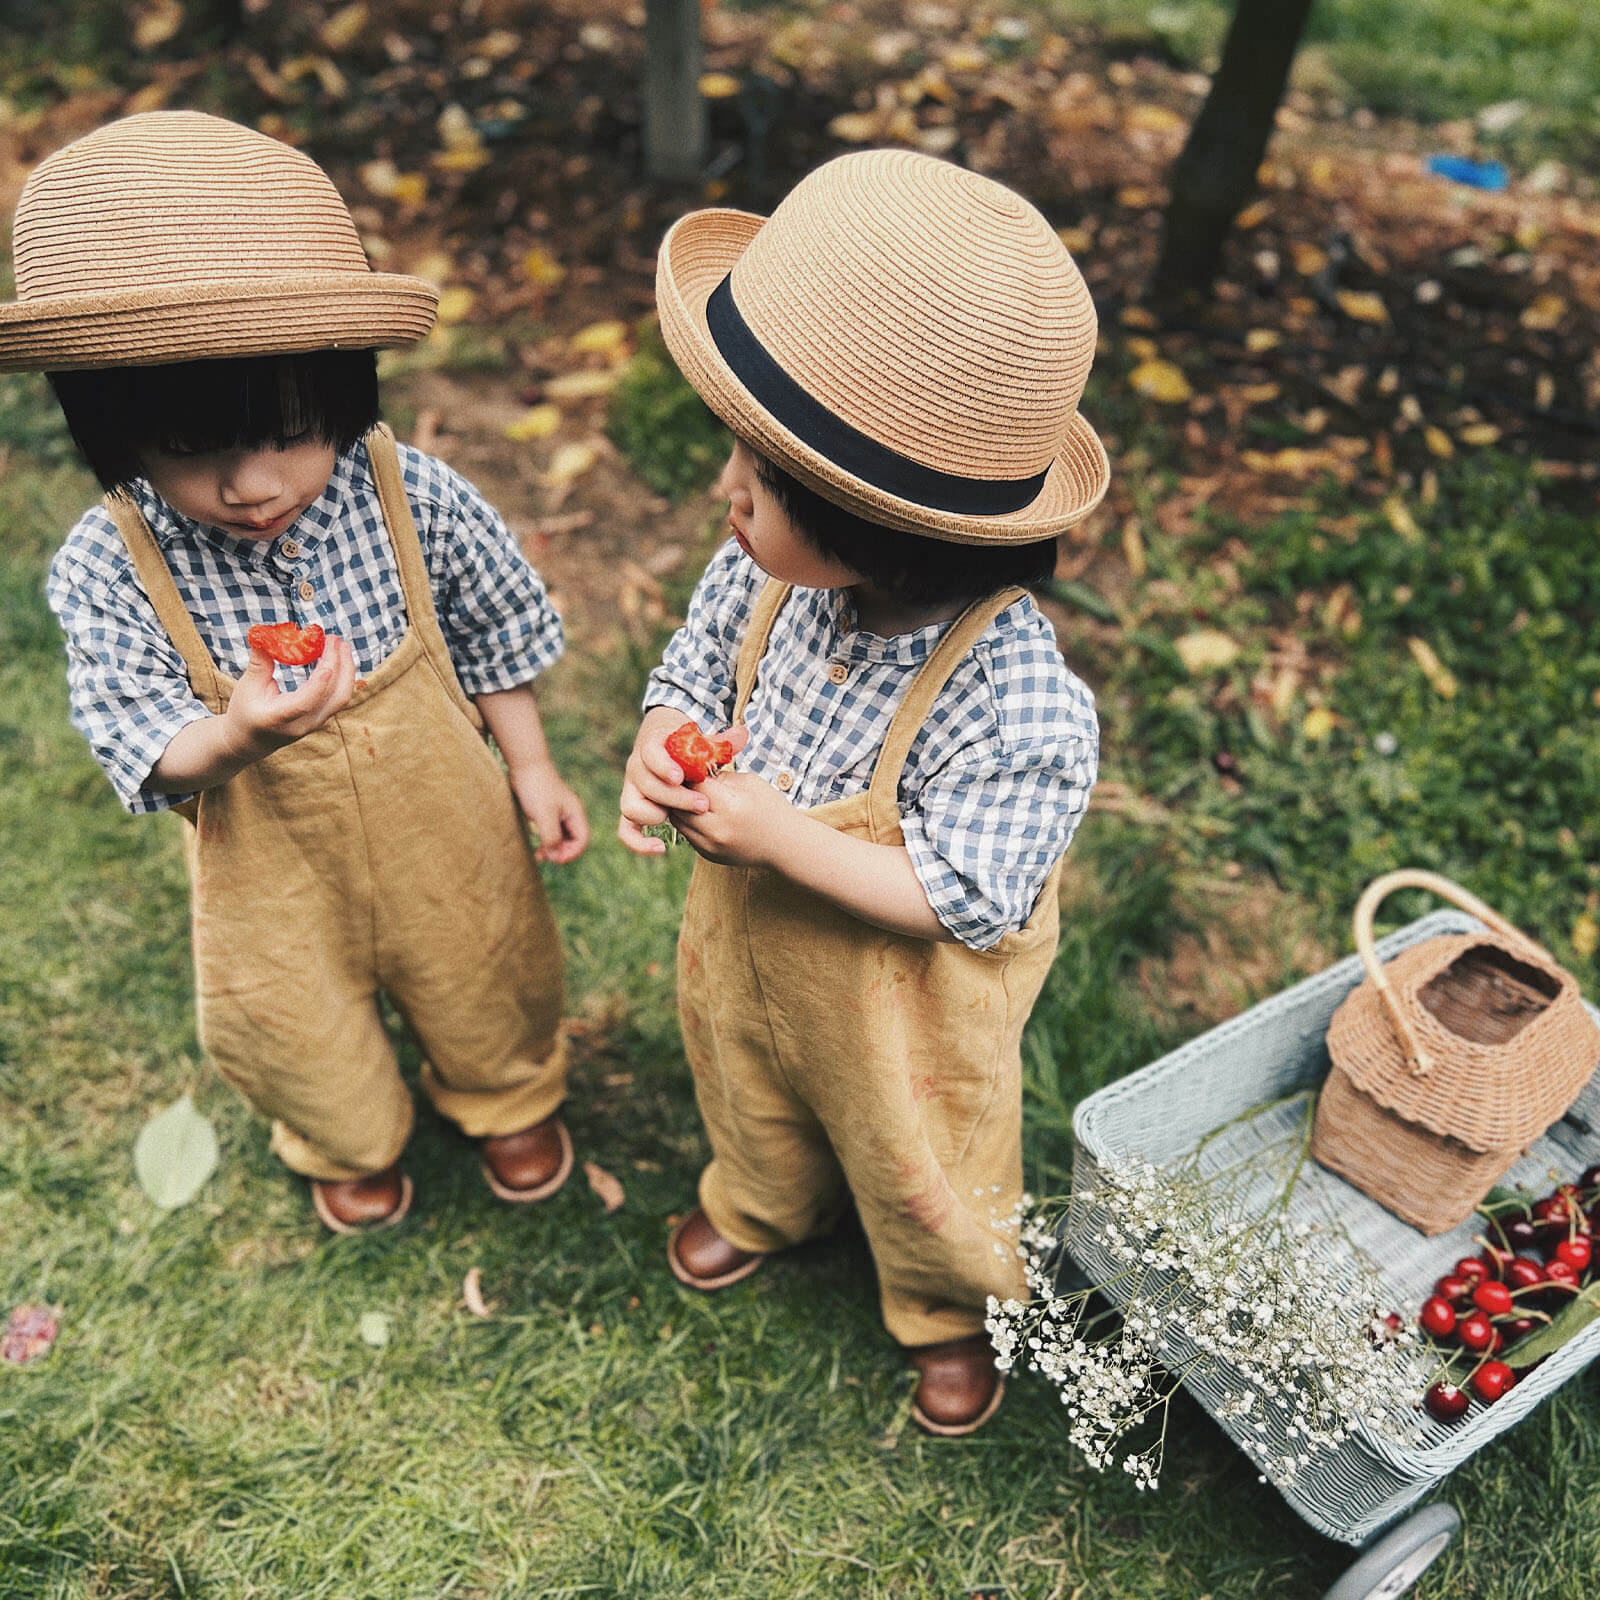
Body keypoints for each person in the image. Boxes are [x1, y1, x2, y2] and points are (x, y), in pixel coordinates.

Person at [4, 111, 587, 1233]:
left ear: (345, 391)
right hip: (269, 856)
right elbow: (135, 730)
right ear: (114, 432)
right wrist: (237, 736)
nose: (255, 483)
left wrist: (530, 765)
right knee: (289, 1009)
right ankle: (343, 1132)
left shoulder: (407, 492)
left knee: (484, 950)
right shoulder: (112, 565)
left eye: (292, 434)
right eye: (195, 452)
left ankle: (504, 1087)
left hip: (441, 814)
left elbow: (495, 621)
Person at [619, 150, 1107, 1434]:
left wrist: (776, 835)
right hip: (748, 952)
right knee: (747, 1079)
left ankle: (944, 1306)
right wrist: (663, 738)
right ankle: (761, 1199)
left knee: (922, 1158)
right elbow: (694, 670)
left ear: (879, 530)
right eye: (741, 448)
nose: (728, 490)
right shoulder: (765, 567)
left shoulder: (1013, 699)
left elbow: (963, 897)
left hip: (906, 1009)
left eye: (762, 480)